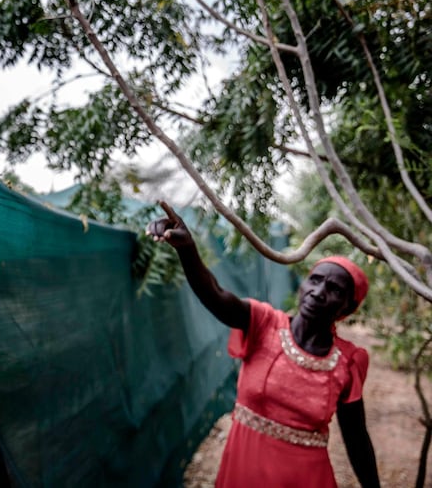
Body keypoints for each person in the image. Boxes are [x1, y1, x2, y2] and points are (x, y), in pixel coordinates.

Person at [146, 200, 380, 488]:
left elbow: (356, 438)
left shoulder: (348, 361)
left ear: (348, 307)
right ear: (304, 284)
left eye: (334, 290)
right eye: (315, 281)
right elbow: (215, 295)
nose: (318, 292)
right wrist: (188, 249)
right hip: (243, 472)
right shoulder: (263, 323)